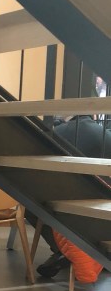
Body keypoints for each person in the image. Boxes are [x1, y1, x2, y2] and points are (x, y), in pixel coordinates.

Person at [36, 113, 111, 277]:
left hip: (62, 198)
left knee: (32, 207)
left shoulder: (56, 133)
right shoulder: (105, 135)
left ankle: (61, 250)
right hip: (100, 199)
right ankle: (101, 250)